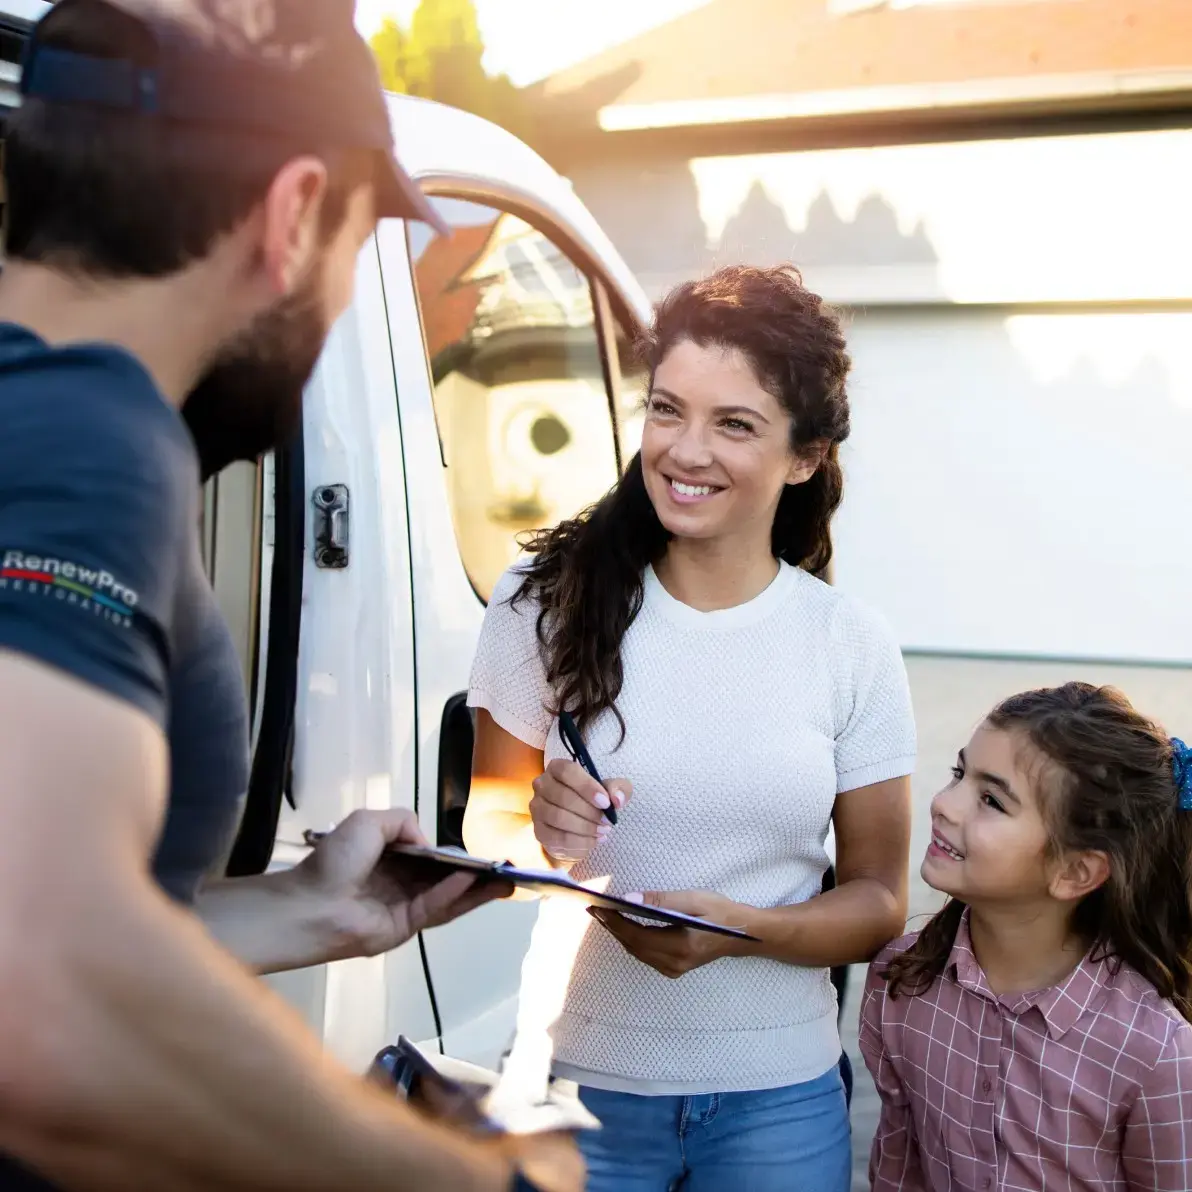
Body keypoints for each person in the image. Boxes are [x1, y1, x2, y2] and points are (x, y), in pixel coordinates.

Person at [0, 2, 580, 1190]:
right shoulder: (89, 434)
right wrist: (460, 1175)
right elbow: (41, 1000)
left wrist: (302, 910)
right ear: (292, 213)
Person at [463, 264, 918, 1192]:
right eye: (667, 410)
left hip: (778, 1103)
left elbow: (878, 902)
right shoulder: (542, 603)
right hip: (578, 1089)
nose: (685, 450)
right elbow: (489, 834)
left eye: (734, 424)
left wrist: (745, 930)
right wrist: (538, 827)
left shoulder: (851, 644)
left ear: (805, 457)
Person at [860, 682, 1192, 1191]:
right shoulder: (900, 982)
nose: (944, 803)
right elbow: (898, 1169)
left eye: (991, 799)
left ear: (1076, 872)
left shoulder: (1156, 1051)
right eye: (958, 773)